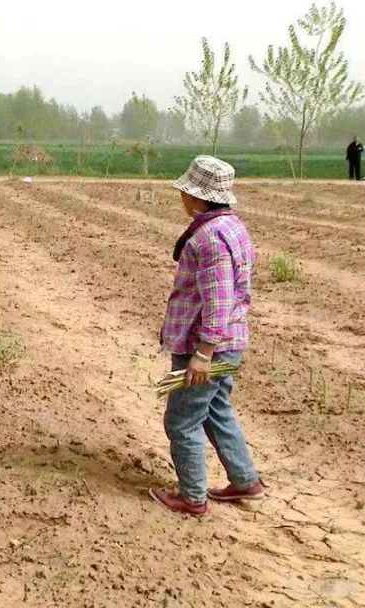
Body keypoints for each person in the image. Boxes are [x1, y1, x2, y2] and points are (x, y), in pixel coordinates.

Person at [150, 155, 264, 517]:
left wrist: (203, 353)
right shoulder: (232, 227)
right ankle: (245, 479)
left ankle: (192, 496)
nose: (182, 198)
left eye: (185, 192)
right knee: (215, 409)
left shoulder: (210, 238)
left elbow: (218, 298)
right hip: (230, 344)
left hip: (206, 348)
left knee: (182, 419)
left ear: (199, 198)